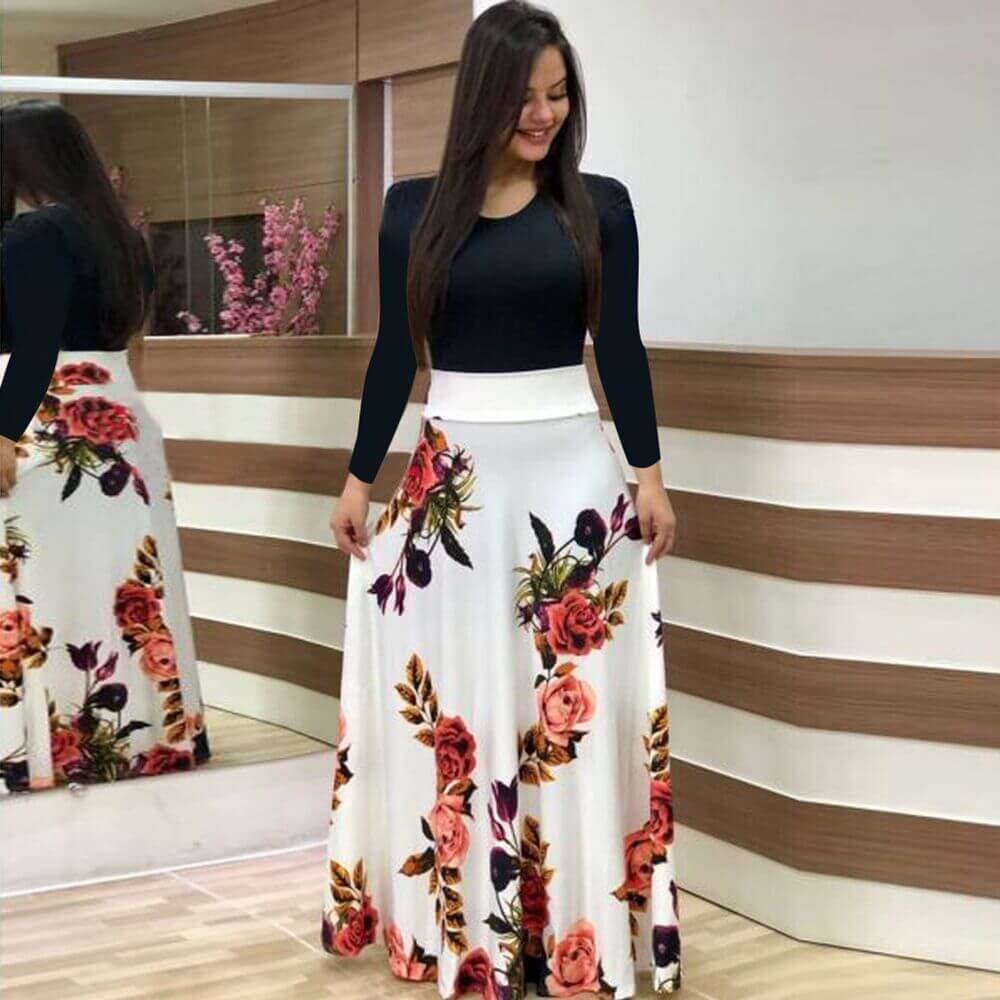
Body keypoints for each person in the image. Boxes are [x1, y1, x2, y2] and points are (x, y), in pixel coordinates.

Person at [322, 4, 682, 996]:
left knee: (567, 721)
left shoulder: (600, 207)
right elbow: (395, 355)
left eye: (559, 95)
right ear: (481, 95)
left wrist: (649, 475)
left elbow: (621, 347)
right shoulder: (411, 210)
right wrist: (360, 478)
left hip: (574, 487)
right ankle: (465, 936)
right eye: (525, 95)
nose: (544, 114)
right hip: (455, 491)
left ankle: (573, 935)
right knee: (461, 708)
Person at [0, 99, 210, 794]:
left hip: (45, 424)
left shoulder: (31, 235)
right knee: (130, 586)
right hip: (123, 423)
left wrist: (4, 431)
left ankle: (52, 748)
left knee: (47, 592)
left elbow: (34, 348)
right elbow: (132, 346)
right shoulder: (123, 239)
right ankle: (142, 738)